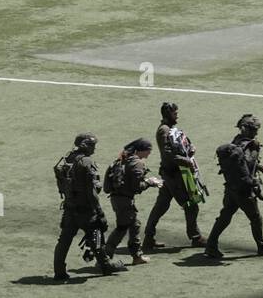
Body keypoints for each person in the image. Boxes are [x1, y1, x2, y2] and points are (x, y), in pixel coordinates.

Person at [205, 114, 263, 259]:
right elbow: (245, 166)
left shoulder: (236, 141)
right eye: (254, 129)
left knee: (225, 216)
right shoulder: (251, 145)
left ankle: (211, 245)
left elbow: (241, 164)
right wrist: (254, 183)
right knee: (255, 217)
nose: (256, 132)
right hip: (243, 190)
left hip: (231, 187)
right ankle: (262, 246)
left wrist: (258, 166)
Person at [53, 133, 125, 281]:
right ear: (85, 145)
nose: (94, 148)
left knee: (64, 240)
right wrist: (99, 212)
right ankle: (105, 266)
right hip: (85, 209)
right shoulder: (86, 162)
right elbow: (91, 192)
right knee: (96, 236)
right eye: (92, 145)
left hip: (69, 207)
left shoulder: (68, 159)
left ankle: (59, 270)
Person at [142, 102, 207, 250]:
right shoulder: (163, 131)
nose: (177, 115)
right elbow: (168, 153)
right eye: (174, 113)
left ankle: (148, 237)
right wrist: (185, 161)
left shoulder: (171, 129)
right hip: (175, 176)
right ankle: (195, 237)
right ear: (167, 114)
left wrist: (190, 148)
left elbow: (181, 144)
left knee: (161, 206)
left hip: (172, 174)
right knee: (191, 205)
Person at [103, 138, 162, 265]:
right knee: (122, 228)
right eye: (148, 151)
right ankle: (105, 256)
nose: (149, 154)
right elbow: (137, 187)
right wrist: (149, 182)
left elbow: (107, 187)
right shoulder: (137, 163)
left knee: (134, 225)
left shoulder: (120, 160)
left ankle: (136, 256)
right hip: (125, 201)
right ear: (141, 150)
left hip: (116, 199)